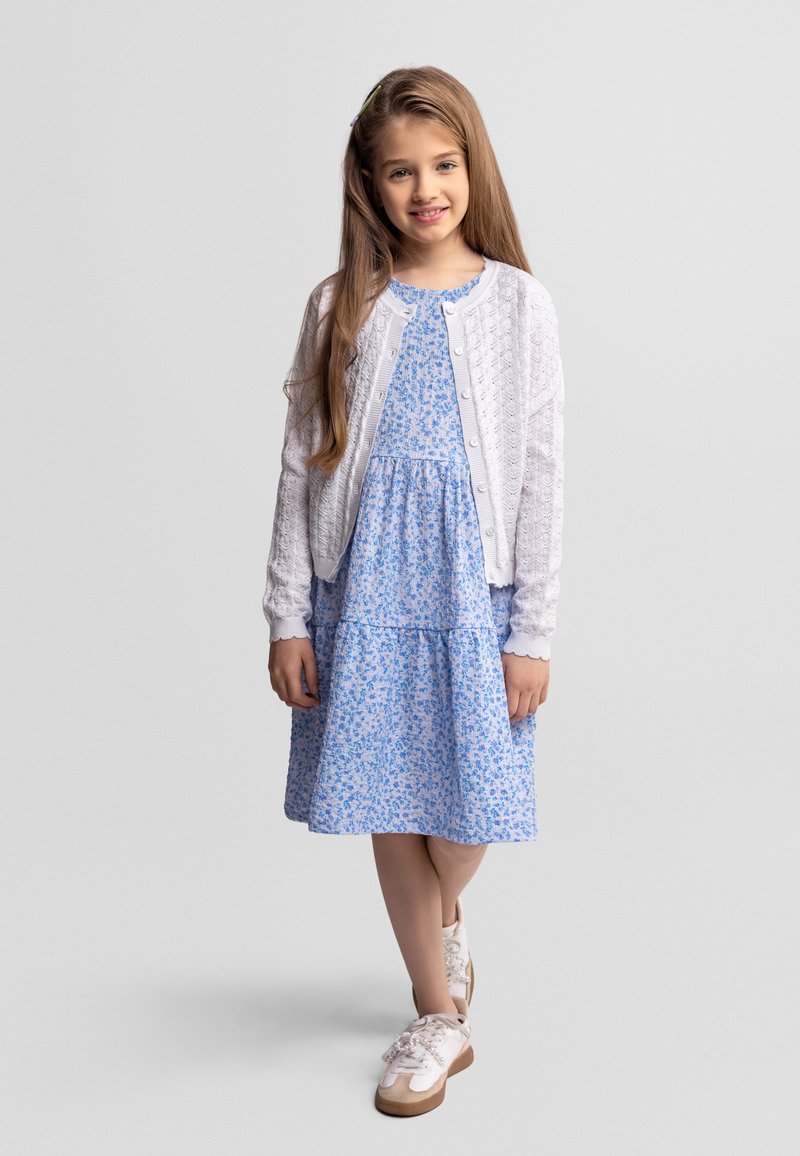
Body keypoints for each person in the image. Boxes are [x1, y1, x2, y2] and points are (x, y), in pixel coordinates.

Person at [262, 65, 565, 1117]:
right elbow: (300, 464)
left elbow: (542, 476)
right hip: (363, 588)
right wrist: (287, 613)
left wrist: (532, 630)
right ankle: (436, 1013)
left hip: (470, 593)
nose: (425, 189)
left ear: (473, 167)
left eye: (443, 165)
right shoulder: (338, 305)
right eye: (400, 171)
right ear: (368, 182)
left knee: (469, 803)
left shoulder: (519, 305)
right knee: (391, 800)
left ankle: (442, 918)